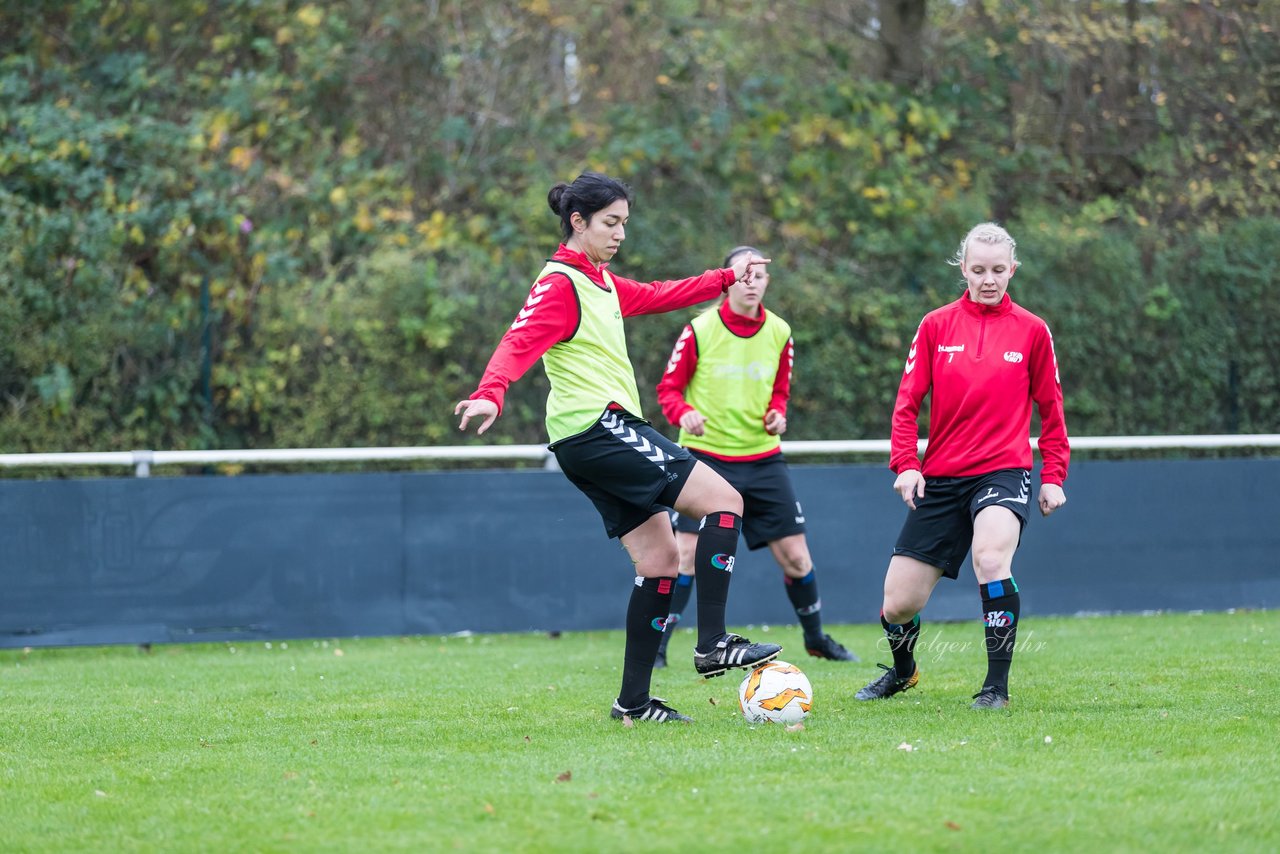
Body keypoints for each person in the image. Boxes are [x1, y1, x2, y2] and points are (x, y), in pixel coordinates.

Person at [454, 172, 782, 724]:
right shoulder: (562, 281)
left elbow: (657, 295)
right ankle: (713, 644)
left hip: (588, 437)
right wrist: (491, 393)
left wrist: (727, 276)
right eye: (610, 223)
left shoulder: (598, 281)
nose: (620, 234)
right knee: (726, 502)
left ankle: (632, 703)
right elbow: (518, 338)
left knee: (659, 560)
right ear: (577, 222)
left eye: (624, 223)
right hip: (597, 427)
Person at [854, 222, 1069, 710]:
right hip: (943, 476)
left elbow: (1052, 409)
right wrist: (907, 465)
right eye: (978, 270)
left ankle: (996, 688)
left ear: (1011, 269)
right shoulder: (935, 325)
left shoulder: (1033, 331)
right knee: (898, 603)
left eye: (998, 270)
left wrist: (1053, 475)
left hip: (1003, 471)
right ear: (963, 269)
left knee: (991, 560)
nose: (988, 279)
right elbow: (906, 404)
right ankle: (904, 672)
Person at [652, 246, 858, 669]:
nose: (752, 282)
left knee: (797, 558)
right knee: (684, 555)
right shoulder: (700, 329)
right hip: (705, 459)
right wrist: (683, 413)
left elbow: (780, 390)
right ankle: (657, 649)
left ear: (767, 282)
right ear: (727, 279)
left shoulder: (780, 331)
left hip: (762, 460)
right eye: (743, 275)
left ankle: (817, 640)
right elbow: (668, 391)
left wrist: (777, 414)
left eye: (759, 275)